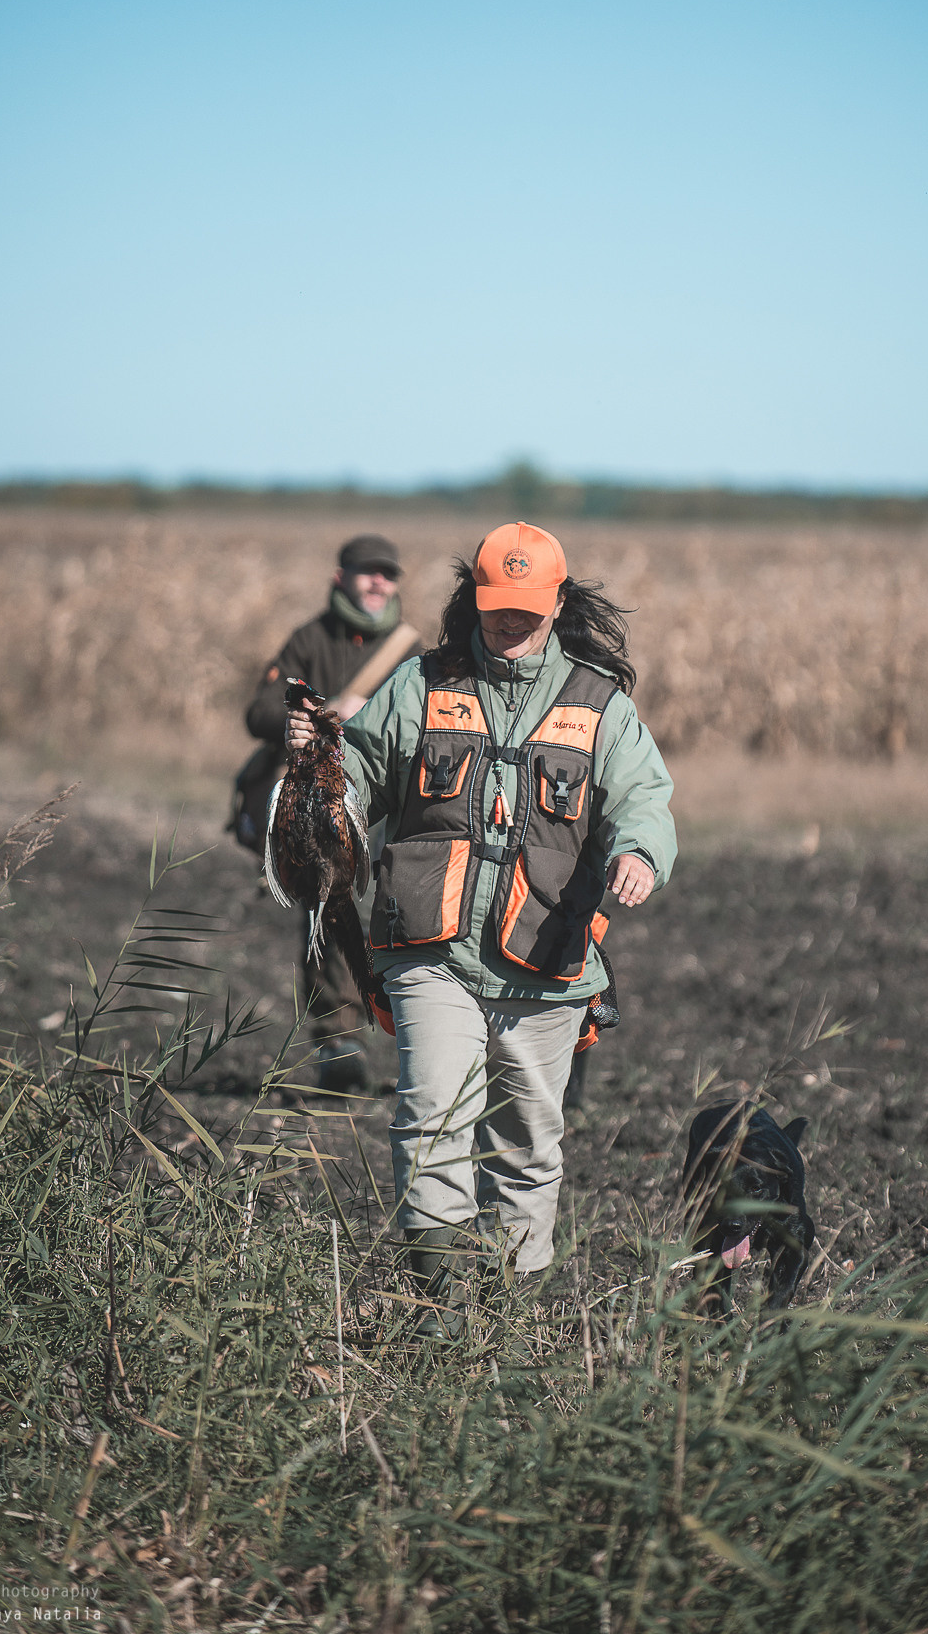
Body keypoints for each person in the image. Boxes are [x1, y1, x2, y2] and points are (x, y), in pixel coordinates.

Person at [286, 521, 677, 1337]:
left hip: (547, 959)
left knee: (528, 1147)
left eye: (528, 609)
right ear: (476, 599)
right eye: (497, 606)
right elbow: (355, 771)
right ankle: (440, 1311)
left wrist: (639, 852)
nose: (509, 622)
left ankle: (502, 1320)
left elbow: (644, 796)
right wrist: (320, 764)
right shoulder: (420, 685)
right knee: (429, 1115)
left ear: (557, 602)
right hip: (430, 953)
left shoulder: (598, 703)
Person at [245, 533, 423, 1037]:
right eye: (367, 571)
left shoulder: (413, 651)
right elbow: (258, 709)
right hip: (320, 802)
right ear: (340, 577)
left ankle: (413, 1039)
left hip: (388, 802)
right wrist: (313, 715)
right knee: (327, 907)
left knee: (403, 910)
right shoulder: (310, 639)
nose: (378, 581)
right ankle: (338, 1043)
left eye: (387, 573)